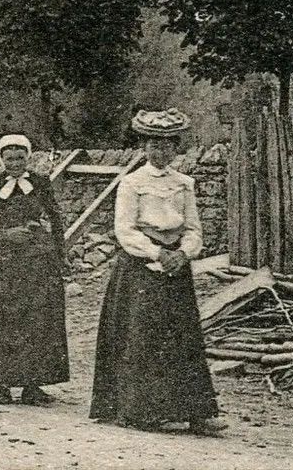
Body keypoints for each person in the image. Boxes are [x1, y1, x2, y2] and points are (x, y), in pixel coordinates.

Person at [90, 108, 225, 436]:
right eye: (154, 145)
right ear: (144, 148)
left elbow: (194, 228)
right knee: (142, 337)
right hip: (141, 268)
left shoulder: (184, 184)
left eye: (167, 146)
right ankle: (141, 410)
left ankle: (196, 411)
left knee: (182, 339)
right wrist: (156, 252)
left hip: (175, 267)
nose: (161, 152)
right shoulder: (131, 183)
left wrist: (183, 253)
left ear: (176, 148)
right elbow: (125, 230)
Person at [0, 134, 68, 406]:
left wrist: (60, 253)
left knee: (37, 321)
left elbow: (56, 219)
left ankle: (32, 385)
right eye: (9, 158)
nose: (15, 163)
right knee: (2, 322)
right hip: (1, 265)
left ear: (29, 158)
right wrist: (4, 234)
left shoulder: (41, 183)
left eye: (20, 158)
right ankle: (2, 385)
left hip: (36, 261)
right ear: (1, 159)